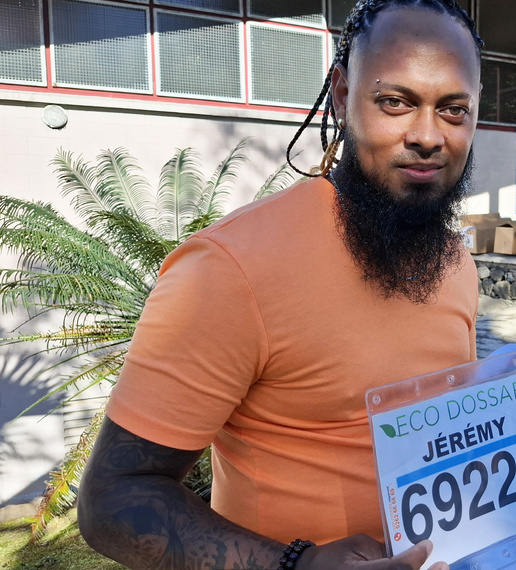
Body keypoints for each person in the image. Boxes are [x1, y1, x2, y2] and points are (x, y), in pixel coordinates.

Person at [77, 2, 483, 569]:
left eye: (454, 109)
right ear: (342, 95)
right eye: (395, 101)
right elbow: (112, 501)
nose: (426, 135)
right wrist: (297, 565)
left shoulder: (455, 262)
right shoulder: (228, 269)